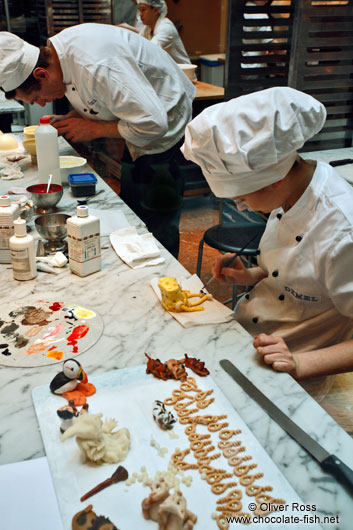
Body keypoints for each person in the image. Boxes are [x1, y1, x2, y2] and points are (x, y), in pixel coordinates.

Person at [181, 86, 353, 387]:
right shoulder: (292, 191)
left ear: (274, 181)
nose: (241, 206)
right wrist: (250, 275)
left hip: (292, 371)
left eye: (241, 198)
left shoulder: (342, 231)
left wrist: (300, 362)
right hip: (248, 336)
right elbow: (300, 273)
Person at [0, 25, 196, 257]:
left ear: (41, 74)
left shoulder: (95, 65)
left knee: (157, 222)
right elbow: (100, 97)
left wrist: (94, 129)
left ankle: (166, 278)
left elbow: (154, 123)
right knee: (133, 213)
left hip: (166, 132)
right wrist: (73, 117)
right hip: (138, 132)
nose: (42, 103)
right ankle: (137, 264)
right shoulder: (59, 56)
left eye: (36, 97)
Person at [136, 0, 194, 72]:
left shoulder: (166, 28)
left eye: (143, 10)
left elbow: (151, 49)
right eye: (139, 10)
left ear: (155, 10)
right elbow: (137, 44)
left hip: (184, 75)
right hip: (169, 74)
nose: (140, 14)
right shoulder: (147, 29)